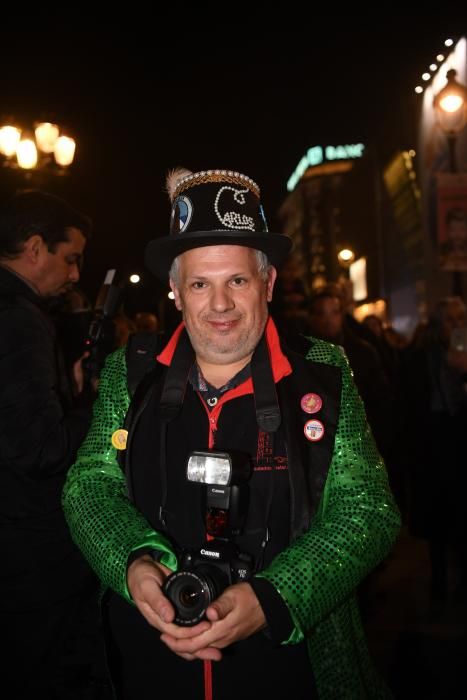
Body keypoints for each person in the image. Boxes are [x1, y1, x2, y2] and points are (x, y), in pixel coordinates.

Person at [63, 168, 401, 699]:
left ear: (266, 283)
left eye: (237, 281)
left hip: (292, 671)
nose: (219, 305)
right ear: (175, 291)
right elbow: (88, 486)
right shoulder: (131, 374)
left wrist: (275, 597)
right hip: (150, 666)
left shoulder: (324, 373)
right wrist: (132, 562)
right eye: (200, 283)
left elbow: (369, 510)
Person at [0, 189, 105, 698]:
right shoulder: (19, 318)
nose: (75, 275)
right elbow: (41, 448)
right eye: (71, 259)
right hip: (30, 560)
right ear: (36, 248)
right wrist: (96, 409)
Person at [439, 206, 467, 271]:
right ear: (447, 231)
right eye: (453, 229)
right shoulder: (441, 250)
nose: (457, 234)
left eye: (462, 229)